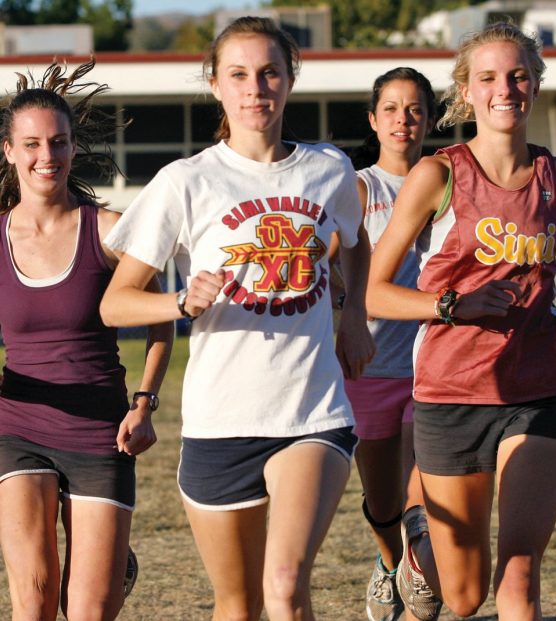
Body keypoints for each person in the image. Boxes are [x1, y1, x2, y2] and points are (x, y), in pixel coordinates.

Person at [99, 16, 374, 621]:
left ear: (290, 80)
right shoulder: (186, 181)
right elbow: (116, 302)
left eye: (270, 72)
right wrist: (180, 303)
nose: (257, 88)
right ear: (216, 84)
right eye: (240, 75)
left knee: (284, 584)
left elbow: (354, 241)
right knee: (238, 603)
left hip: (312, 412)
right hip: (219, 420)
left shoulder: (328, 170)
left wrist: (352, 317)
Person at [0, 60, 174, 621]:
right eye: (32, 143)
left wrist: (145, 404)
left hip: (101, 429)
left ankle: (104, 557)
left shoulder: (110, 229)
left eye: (58, 142)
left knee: (89, 609)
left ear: (72, 148)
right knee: (34, 598)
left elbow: (162, 322)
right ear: (9, 152)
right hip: (21, 428)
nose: (47, 156)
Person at [367, 22, 556, 621]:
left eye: (519, 75)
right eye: (489, 78)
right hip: (451, 393)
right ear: (467, 92)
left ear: (535, 84)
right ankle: (419, 544)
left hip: (537, 388)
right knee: (463, 595)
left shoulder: (555, 177)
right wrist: (455, 305)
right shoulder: (439, 175)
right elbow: (375, 292)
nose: (506, 88)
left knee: (521, 569)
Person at [340, 67, 435, 621]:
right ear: (374, 120)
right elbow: (324, 257)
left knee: (421, 497)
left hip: (435, 365)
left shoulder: (449, 181)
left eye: (415, 109)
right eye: (392, 109)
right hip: (370, 366)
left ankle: (419, 568)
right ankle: (388, 562)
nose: (404, 120)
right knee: (383, 501)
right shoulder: (359, 187)